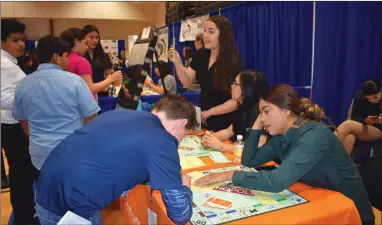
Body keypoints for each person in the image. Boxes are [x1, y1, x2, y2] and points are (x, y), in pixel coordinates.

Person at [194, 84, 375, 225]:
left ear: (286, 109)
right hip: (323, 202)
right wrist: (257, 127)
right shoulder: (283, 136)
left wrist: (228, 175)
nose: (262, 118)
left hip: (351, 214)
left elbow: (276, 182)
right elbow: (249, 160)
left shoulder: (313, 135)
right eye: (260, 114)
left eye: (266, 112)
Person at [35, 95, 198, 225]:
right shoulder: (163, 140)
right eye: (183, 136)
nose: (178, 142)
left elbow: (125, 160)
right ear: (182, 123)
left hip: (44, 189)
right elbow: (180, 214)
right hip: (73, 208)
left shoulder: (119, 114)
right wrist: (185, 185)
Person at [13, 35, 100, 172]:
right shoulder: (75, 81)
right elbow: (91, 115)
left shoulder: (23, 84)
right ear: (56, 57)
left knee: (45, 186)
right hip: (71, 149)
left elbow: (22, 119)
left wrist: (39, 137)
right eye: (65, 56)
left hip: (39, 153)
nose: (67, 61)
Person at [169, 15, 243, 131]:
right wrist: (178, 64)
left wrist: (211, 112)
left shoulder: (233, 61)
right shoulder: (201, 54)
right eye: (204, 31)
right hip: (204, 119)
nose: (205, 35)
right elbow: (187, 82)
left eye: (211, 32)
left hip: (226, 123)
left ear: (223, 35)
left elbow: (237, 101)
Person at [1, 18, 38, 225]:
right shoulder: (4, 65)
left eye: (22, 40)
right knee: (21, 176)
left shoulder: (10, 63)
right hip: (13, 127)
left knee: (21, 174)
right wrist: (31, 95)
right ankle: (24, 217)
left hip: (13, 126)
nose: (21, 44)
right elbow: (4, 100)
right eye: (15, 40)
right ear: (1, 42)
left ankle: (25, 213)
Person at [201, 70, 269, 153]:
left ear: (246, 89)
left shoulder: (260, 112)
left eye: (235, 84)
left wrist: (222, 146)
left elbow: (258, 149)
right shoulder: (242, 107)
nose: (231, 86)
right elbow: (229, 131)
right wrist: (209, 138)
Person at [60, 28, 122, 101]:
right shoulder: (81, 61)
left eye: (97, 37)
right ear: (76, 42)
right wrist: (111, 79)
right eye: (85, 43)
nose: (87, 47)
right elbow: (90, 89)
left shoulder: (63, 60)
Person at [335, 80, 382, 154]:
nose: (372, 101)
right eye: (369, 99)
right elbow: (354, 118)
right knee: (349, 137)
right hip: (362, 125)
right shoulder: (359, 96)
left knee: (347, 125)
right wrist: (365, 121)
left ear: (380, 91)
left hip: (378, 129)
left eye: (375, 97)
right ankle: (342, 164)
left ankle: (324, 151)